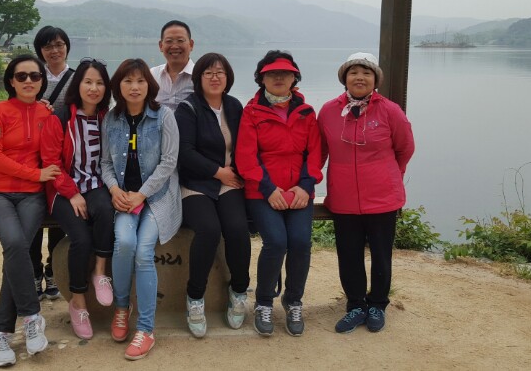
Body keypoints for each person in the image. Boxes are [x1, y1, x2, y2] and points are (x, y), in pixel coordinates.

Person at [318, 52, 414, 334]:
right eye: (353, 72)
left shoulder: (390, 111)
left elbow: (405, 148)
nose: (359, 77)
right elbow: (319, 151)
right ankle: (356, 305)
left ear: (375, 80)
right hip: (344, 198)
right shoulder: (328, 111)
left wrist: (389, 175)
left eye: (366, 73)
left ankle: (378, 305)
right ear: (344, 78)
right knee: (348, 255)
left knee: (381, 255)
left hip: (382, 197)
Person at [0, 55, 61, 367]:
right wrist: (35, 174)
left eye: (35, 76)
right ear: (11, 81)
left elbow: (53, 151)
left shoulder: (46, 112)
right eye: (21, 76)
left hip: (31, 197)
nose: (28, 81)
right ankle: (31, 316)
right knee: (15, 244)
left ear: (42, 81)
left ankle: (0, 334)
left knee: (18, 252)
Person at [235, 50, 322, 338]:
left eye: (285, 73)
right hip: (262, 192)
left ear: (294, 78)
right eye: (272, 73)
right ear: (261, 79)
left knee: (300, 242)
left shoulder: (306, 112)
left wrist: (305, 186)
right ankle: (263, 302)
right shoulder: (251, 112)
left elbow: (315, 153)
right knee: (276, 242)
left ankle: (293, 300)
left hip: (299, 191)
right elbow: (246, 156)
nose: (279, 78)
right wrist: (268, 188)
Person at [100, 58, 181, 361]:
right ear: (118, 86)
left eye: (140, 81)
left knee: (144, 251)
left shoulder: (164, 116)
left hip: (157, 197)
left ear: (150, 84)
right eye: (127, 81)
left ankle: (146, 329)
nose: (134, 87)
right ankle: (122, 308)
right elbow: (105, 163)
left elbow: (169, 162)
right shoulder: (112, 119)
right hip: (124, 197)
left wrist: (141, 194)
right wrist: (115, 190)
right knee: (124, 242)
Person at [174, 53, 250, 337]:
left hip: (229, 181)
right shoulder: (188, 108)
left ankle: (239, 290)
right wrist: (218, 172)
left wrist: (232, 174)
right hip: (196, 182)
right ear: (199, 78)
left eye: (220, 72)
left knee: (237, 229)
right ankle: (195, 297)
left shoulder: (234, 106)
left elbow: (246, 145)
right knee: (208, 229)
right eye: (208, 73)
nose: (215, 77)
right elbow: (184, 152)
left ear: (228, 77)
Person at [39, 57, 114, 340]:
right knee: (81, 238)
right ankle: (78, 301)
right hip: (62, 188)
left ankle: (100, 272)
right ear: (78, 85)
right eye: (88, 82)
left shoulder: (107, 117)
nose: (93, 88)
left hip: (95, 184)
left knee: (105, 212)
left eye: (99, 83)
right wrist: (71, 194)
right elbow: (51, 162)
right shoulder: (59, 118)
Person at [30, 26, 74, 301]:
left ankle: (52, 269)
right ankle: (34, 271)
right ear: (40, 51)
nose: (54, 51)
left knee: (60, 215)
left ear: (67, 47)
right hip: (33, 154)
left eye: (59, 44)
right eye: (48, 46)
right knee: (33, 214)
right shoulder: (32, 75)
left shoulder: (78, 78)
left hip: (66, 155)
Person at [150, 20, 194, 110]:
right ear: (161, 46)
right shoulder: (152, 75)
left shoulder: (201, 76)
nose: (174, 46)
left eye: (180, 41)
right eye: (169, 41)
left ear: (191, 45)